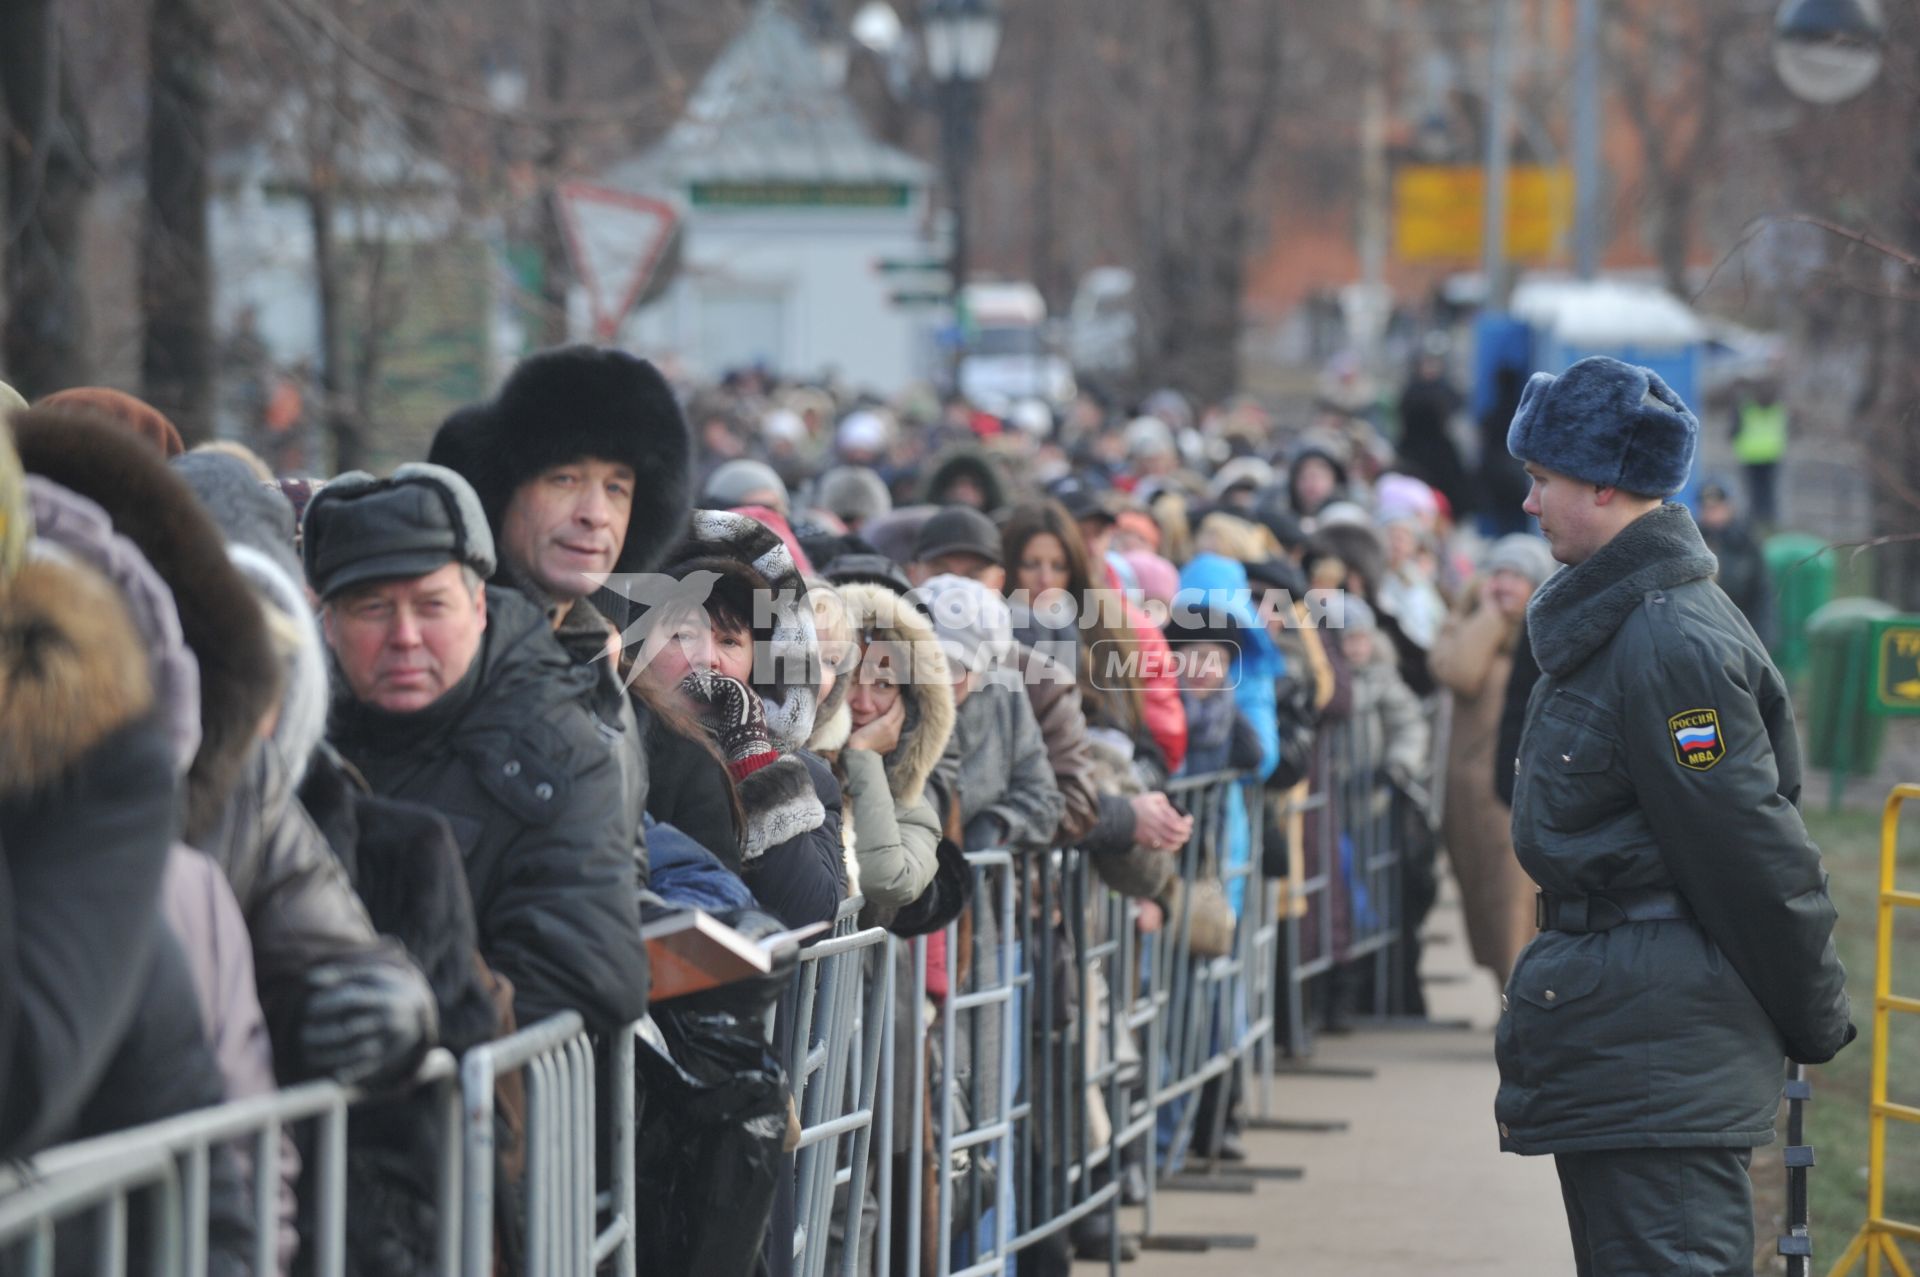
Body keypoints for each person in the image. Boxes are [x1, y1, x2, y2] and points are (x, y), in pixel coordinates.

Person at [1500, 355, 1853, 1273]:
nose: (1529, 503)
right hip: (1635, 1044)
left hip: (1662, 1053)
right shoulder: (1630, 622)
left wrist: (1813, 1015)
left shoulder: (1666, 642)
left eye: (1543, 479)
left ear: (1606, 485)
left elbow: (1749, 851)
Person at [306, 463, 649, 1032]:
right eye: (373, 608)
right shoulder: (292, 746)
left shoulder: (557, 747)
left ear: (479, 609)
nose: (405, 636)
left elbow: (589, 976)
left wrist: (427, 1025)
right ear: (329, 625)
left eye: (431, 606)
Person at [1427, 533, 1554, 987]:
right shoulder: (1466, 620)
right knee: (1480, 894)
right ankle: (1509, 986)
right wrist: (1488, 617)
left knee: (1514, 899)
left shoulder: (1545, 634)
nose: (1505, 584)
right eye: (1499, 573)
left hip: (1514, 786)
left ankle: (1519, 991)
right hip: (1466, 793)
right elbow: (1461, 671)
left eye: (1517, 576)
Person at [1696, 477, 1773, 646]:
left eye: (1717, 508)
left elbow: (1760, 593)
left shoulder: (1746, 541)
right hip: (1703, 632)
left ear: (1729, 506)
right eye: (1707, 508)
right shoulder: (1693, 541)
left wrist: (1761, 640)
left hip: (1739, 632)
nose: (1712, 514)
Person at [1731, 375, 1788, 527]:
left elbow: (1733, 431)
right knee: (1768, 493)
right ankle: (1768, 521)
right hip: (1771, 455)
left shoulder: (1745, 408)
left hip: (1751, 456)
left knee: (1754, 493)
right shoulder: (1779, 408)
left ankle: (1756, 521)